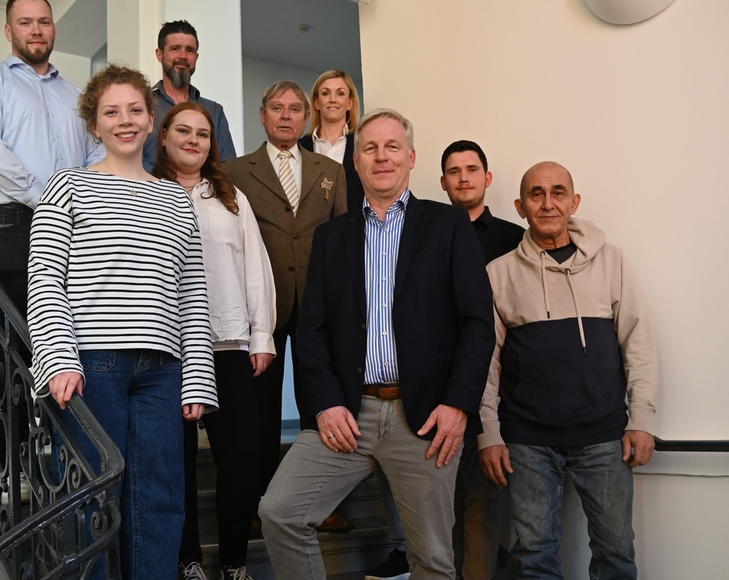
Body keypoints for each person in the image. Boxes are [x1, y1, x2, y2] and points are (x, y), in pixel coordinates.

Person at [258, 108, 496, 579]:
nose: (381, 157)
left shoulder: (448, 227)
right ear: (357, 162)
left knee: (431, 557)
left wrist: (458, 405)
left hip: (425, 418)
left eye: (391, 147)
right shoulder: (332, 238)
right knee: (280, 512)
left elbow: (477, 323)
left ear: (410, 157)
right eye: (369, 148)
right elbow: (311, 332)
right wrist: (325, 403)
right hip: (348, 412)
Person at [27, 64, 216, 580]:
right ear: (95, 125)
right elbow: (45, 278)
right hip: (92, 365)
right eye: (111, 112)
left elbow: (192, 295)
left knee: (161, 498)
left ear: (151, 118)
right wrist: (59, 358)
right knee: (93, 494)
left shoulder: (176, 199)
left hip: (162, 370)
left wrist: (197, 375)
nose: (125, 121)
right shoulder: (67, 186)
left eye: (135, 110)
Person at [478, 162, 658, 579]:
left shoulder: (611, 262)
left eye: (558, 192)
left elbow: (639, 342)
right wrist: (489, 433)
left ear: (574, 202)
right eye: (536, 195)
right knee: (533, 558)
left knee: (615, 554)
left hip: (605, 435)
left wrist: (643, 419)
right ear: (521, 206)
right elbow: (484, 362)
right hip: (527, 440)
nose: (547, 203)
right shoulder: (498, 273)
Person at [367, 139, 526, 580]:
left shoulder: (514, 238)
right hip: (436, 387)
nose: (464, 178)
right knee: (437, 497)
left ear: (487, 178)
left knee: (481, 494)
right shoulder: (426, 232)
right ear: (441, 181)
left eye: (472, 169)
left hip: (493, 385)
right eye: (454, 172)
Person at [152, 102, 277, 580]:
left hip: (227, 343)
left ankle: (234, 563)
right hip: (169, 350)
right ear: (163, 137)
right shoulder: (146, 192)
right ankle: (187, 560)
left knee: (244, 457)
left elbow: (255, 267)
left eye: (202, 134)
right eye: (183, 130)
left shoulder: (231, 197)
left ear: (212, 143)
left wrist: (261, 335)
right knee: (174, 463)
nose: (193, 140)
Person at [223, 80, 347, 529]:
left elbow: (345, 239)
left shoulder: (329, 171)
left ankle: (322, 502)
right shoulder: (234, 171)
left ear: (306, 117)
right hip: (262, 305)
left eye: (296, 108)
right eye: (277, 107)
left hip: (319, 304)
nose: (286, 116)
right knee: (261, 408)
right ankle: (262, 500)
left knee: (322, 400)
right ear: (262, 114)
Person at [0, 0, 103, 317]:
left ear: (53, 29)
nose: (36, 29)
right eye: (25, 22)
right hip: (10, 224)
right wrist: (45, 197)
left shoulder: (78, 96)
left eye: (44, 22)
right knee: (13, 344)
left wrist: (83, 202)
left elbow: (97, 153)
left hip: (74, 226)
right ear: (9, 31)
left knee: (73, 328)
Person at [143, 20, 236, 171]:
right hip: (151, 192)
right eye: (175, 49)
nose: (183, 56)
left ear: (196, 57)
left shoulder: (214, 111)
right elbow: (133, 160)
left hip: (203, 193)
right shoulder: (142, 107)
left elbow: (227, 166)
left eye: (190, 50)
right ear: (159, 54)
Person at [298, 69, 364, 211]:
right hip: (313, 231)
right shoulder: (299, 147)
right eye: (325, 93)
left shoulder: (363, 144)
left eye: (340, 93)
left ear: (350, 103)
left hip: (356, 229)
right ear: (316, 103)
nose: (332, 99)